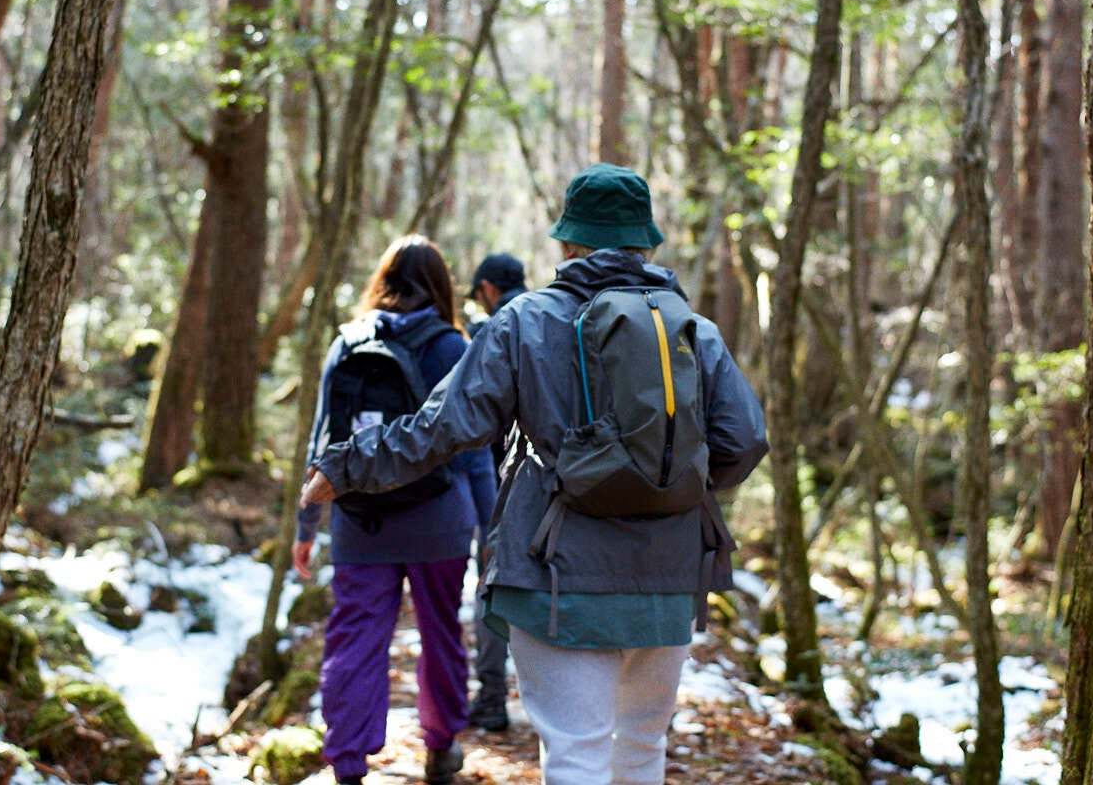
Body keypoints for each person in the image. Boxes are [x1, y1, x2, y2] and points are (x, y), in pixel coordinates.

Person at [301, 164, 768, 785]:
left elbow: (443, 428)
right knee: (641, 748)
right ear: (643, 243)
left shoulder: (523, 322)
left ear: (569, 243)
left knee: (576, 753)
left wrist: (344, 467)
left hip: (556, 572)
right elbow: (744, 439)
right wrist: (668, 489)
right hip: (667, 579)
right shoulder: (689, 329)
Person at [292, 236, 496, 785]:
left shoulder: (347, 343)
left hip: (361, 520)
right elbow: (475, 451)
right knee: (441, 633)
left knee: (355, 638)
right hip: (439, 521)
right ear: (440, 285)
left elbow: (322, 444)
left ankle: (349, 763)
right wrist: (489, 529)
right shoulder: (453, 348)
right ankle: (442, 746)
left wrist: (305, 525)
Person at [463, 252, 529, 733]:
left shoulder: (494, 330)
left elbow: (468, 418)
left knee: (492, 592)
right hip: (556, 485)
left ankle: (491, 699)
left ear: (487, 288)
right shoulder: (555, 319)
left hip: (498, 486)